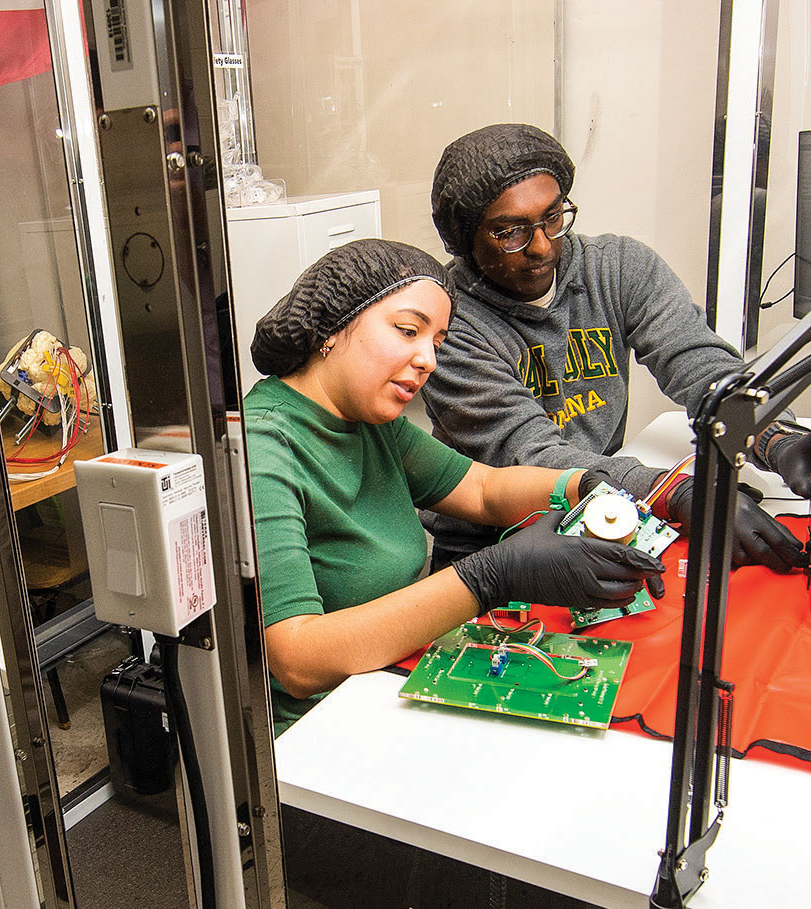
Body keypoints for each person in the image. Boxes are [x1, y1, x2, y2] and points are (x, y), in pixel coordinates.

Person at [247, 237, 656, 909]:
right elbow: (297, 656)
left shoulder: (366, 419)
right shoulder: (268, 447)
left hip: (389, 684)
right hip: (320, 747)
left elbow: (488, 489)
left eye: (437, 340)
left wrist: (596, 483)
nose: (427, 359)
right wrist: (489, 576)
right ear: (329, 330)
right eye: (408, 331)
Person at [417, 123, 811, 575]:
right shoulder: (445, 320)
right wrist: (671, 492)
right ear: (463, 239)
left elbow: (697, 364)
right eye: (510, 232)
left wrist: (773, 436)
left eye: (553, 218)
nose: (541, 247)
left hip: (605, 506)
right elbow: (528, 453)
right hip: (491, 541)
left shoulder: (619, 268)